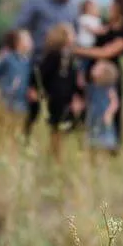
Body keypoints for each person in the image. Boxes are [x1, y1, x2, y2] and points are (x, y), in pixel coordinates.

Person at [13, 0, 78, 136]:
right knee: (30, 105)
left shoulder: (72, 7)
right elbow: (21, 26)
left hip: (59, 66)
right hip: (36, 60)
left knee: (58, 108)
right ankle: (24, 137)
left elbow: (75, 33)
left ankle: (55, 143)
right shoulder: (36, 0)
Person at [74, 0, 123, 151]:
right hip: (93, 71)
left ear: (120, 6)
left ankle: (106, 146)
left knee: (106, 109)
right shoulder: (107, 23)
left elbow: (106, 52)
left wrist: (78, 50)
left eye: (113, 3)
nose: (110, 6)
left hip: (108, 75)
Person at [32, 23, 82, 161]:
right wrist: (40, 90)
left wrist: (77, 94)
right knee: (56, 128)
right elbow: (42, 74)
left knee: (65, 128)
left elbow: (74, 79)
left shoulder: (71, 57)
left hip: (67, 97)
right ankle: (55, 157)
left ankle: (58, 156)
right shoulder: (53, 55)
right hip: (56, 98)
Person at [0, 28, 33, 140]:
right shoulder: (9, 59)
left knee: (17, 133)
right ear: (18, 42)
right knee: (3, 130)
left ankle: (13, 155)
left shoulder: (28, 62)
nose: (30, 41)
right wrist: (4, 86)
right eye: (27, 39)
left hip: (22, 103)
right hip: (7, 101)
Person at [85, 60, 120, 154]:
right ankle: (93, 150)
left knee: (106, 133)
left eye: (97, 67)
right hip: (93, 116)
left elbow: (115, 102)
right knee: (92, 133)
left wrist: (109, 113)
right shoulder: (92, 86)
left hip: (104, 116)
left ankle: (110, 148)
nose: (94, 68)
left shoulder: (109, 88)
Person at [75, 0, 104, 89]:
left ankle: (82, 77)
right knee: (82, 63)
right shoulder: (84, 18)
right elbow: (93, 30)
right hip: (83, 45)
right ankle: (80, 78)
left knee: (86, 63)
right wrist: (104, 30)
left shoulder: (95, 19)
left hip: (90, 46)